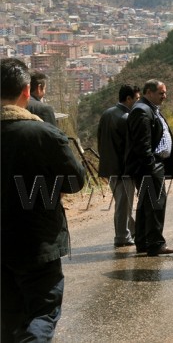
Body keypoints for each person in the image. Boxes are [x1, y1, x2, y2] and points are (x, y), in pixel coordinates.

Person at [1, 58, 86, 341]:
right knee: (42, 313)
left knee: (9, 318)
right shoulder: (44, 134)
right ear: (27, 91)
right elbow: (75, 181)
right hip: (37, 241)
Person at [125, 79, 173, 257]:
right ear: (149, 92)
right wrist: (151, 167)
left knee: (146, 205)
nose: (165, 96)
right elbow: (142, 146)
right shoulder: (142, 111)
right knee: (156, 205)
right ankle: (155, 243)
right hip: (149, 167)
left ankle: (143, 242)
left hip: (152, 166)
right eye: (161, 93)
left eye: (165, 93)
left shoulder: (150, 109)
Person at [97, 84, 141, 248]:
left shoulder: (107, 114)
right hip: (123, 170)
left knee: (122, 202)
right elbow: (130, 148)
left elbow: (100, 140)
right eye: (137, 99)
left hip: (110, 168)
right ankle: (122, 236)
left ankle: (133, 231)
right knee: (123, 205)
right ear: (128, 99)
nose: (138, 102)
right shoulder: (127, 118)